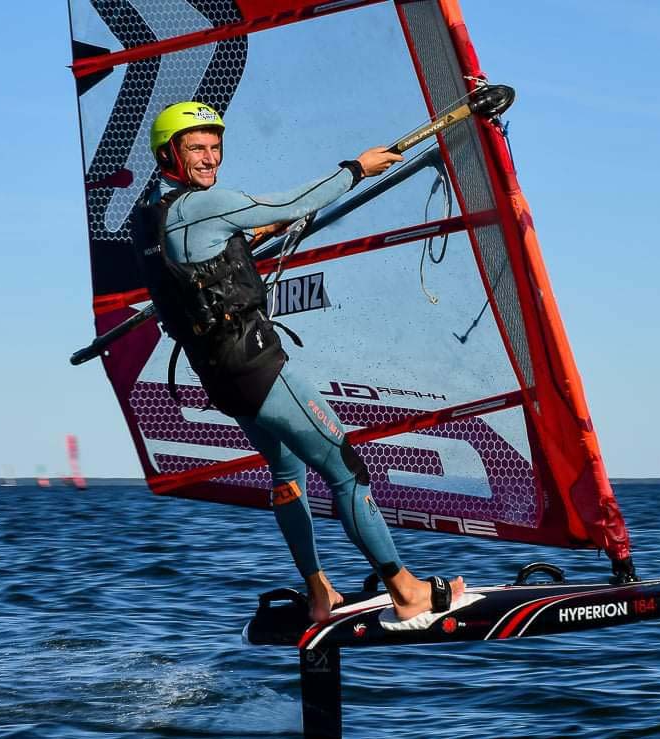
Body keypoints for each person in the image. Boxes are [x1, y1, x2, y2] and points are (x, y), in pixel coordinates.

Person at [131, 101, 466, 626]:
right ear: (169, 152)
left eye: (216, 146)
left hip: (219, 375)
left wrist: (241, 241)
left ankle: (319, 593)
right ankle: (407, 591)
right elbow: (294, 201)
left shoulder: (151, 216)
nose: (210, 158)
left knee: (286, 474)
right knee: (346, 470)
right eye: (196, 147)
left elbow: (197, 267)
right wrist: (357, 169)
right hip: (258, 367)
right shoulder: (205, 206)